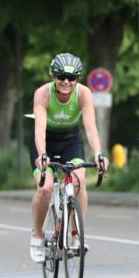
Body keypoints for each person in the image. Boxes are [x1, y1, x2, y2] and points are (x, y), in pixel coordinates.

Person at [28, 53, 108, 263]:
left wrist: (99, 154)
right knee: (45, 188)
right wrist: (43, 155)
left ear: (77, 79)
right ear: (53, 76)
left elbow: (90, 128)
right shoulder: (43, 94)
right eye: (61, 76)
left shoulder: (84, 94)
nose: (66, 81)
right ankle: (37, 236)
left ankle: (75, 235)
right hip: (44, 140)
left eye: (71, 78)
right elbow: (39, 129)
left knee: (79, 181)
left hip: (70, 141)